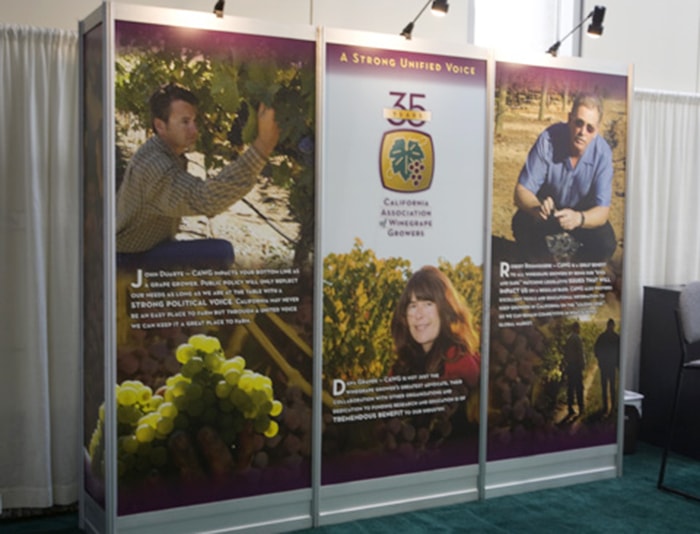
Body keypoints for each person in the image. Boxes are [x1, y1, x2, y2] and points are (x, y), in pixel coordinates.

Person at [116, 83, 280, 269]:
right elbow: (203, 199)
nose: (194, 130)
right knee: (221, 252)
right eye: (185, 122)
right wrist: (262, 146)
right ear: (160, 126)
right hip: (129, 258)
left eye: (194, 121)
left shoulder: (165, 153)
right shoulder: (154, 165)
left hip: (147, 247)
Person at [511, 93, 616, 262]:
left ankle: (576, 273)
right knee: (521, 222)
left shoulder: (603, 155)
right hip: (549, 212)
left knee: (606, 244)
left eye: (590, 128)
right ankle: (541, 264)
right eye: (579, 123)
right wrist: (537, 207)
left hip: (581, 215)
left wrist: (579, 219)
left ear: (596, 131)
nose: (582, 132)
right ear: (569, 119)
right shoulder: (548, 140)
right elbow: (521, 191)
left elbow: (602, 212)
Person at [391, 266, 480, 388]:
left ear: (445, 309)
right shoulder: (402, 365)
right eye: (413, 305)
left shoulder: (458, 360)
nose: (419, 314)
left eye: (428, 304)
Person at [594, 318, 620, 416]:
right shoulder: (616, 337)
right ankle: (610, 407)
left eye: (611, 325)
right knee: (608, 387)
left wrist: (600, 360)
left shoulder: (602, 337)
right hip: (609, 366)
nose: (611, 327)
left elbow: (596, 350)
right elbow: (596, 350)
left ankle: (609, 407)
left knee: (608, 387)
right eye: (611, 325)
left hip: (606, 366)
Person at [563, 321, 585, 417]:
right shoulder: (577, 338)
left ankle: (570, 408)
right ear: (576, 328)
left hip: (569, 366)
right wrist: (583, 364)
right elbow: (580, 353)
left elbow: (565, 353)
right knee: (579, 387)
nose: (579, 330)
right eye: (579, 328)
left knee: (570, 388)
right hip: (576, 366)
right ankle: (581, 408)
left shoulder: (568, 338)